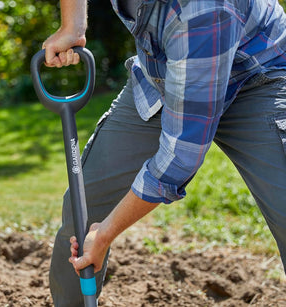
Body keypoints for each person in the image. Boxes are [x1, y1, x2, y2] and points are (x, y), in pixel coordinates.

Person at [42, 0, 286, 305]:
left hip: (258, 76)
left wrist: (105, 234)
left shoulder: (205, 9)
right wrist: (72, 24)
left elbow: (180, 156)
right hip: (167, 73)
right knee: (85, 206)